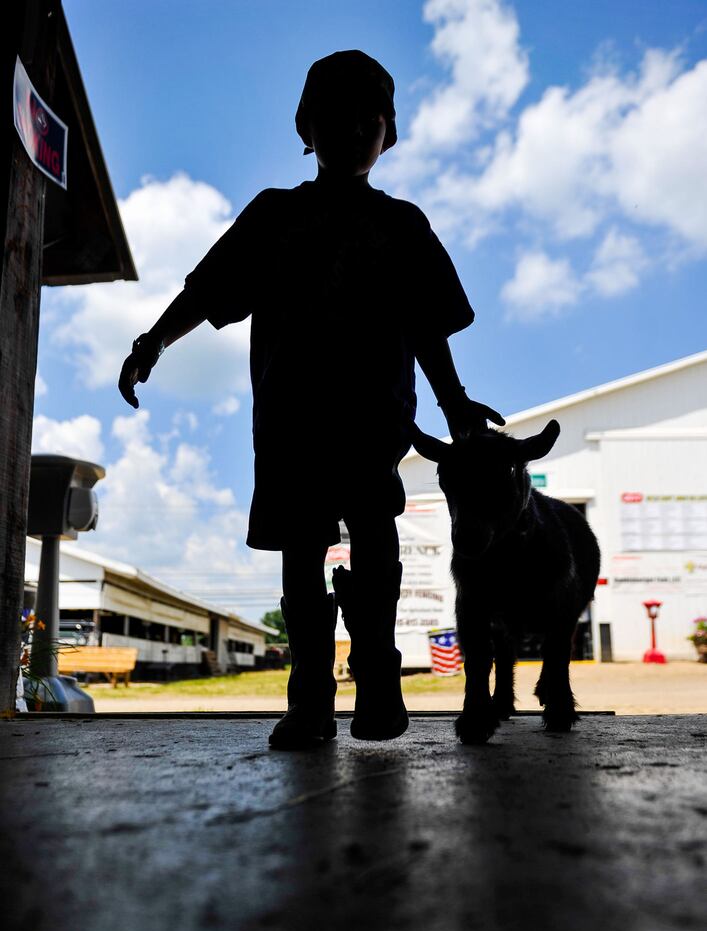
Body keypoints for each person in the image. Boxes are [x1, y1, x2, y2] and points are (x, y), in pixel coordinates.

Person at [118, 50, 504, 750]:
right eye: (337, 116)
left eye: (371, 118)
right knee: (301, 552)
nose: (355, 128)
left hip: (371, 421)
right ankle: (310, 698)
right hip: (290, 422)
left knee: (374, 531)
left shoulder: (403, 226)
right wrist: (152, 341)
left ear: (389, 133)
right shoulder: (273, 217)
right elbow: (205, 296)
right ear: (306, 127)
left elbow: (426, 328)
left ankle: (379, 686)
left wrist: (455, 405)